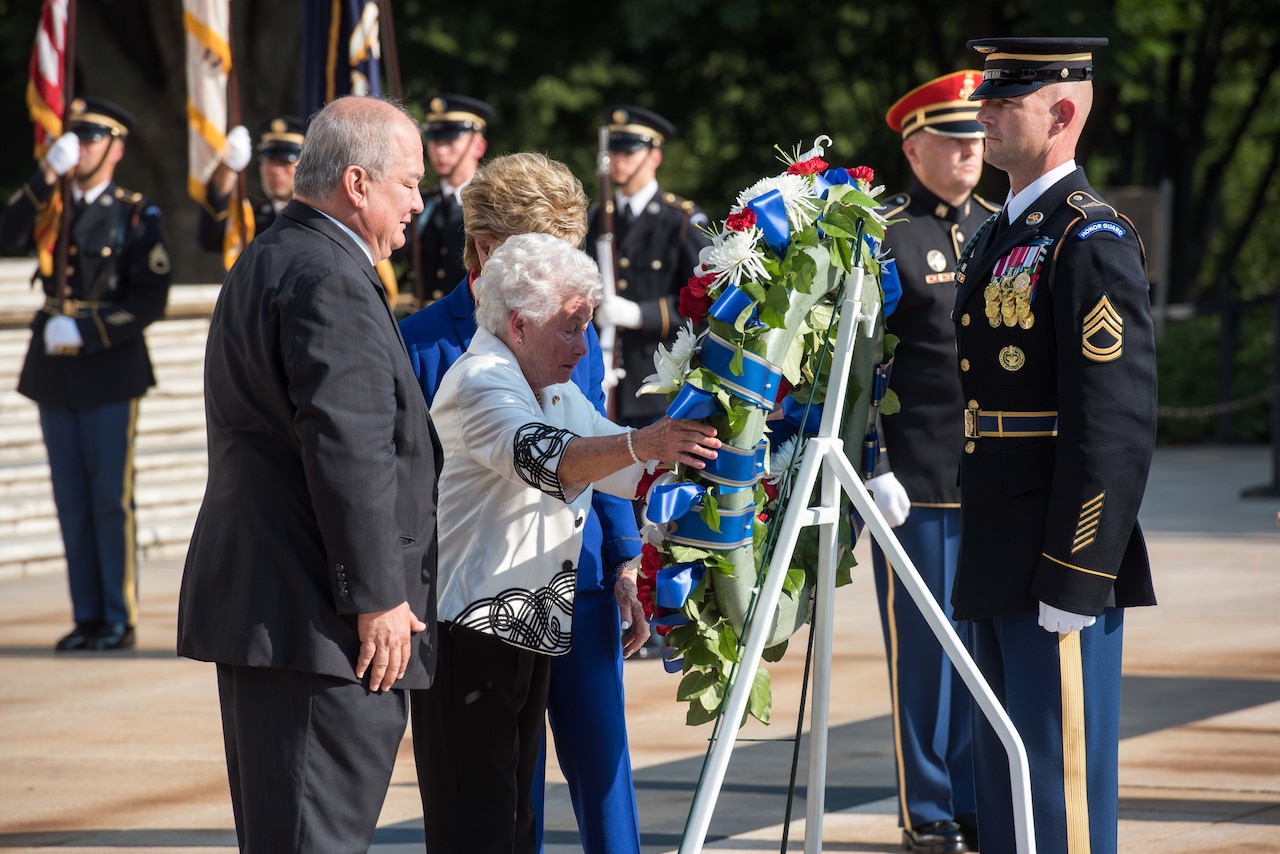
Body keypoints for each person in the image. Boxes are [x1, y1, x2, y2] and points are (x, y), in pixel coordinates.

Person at [176, 95, 438, 852]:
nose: (419, 204)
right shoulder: (328, 278)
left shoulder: (276, 254)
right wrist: (379, 595)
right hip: (318, 623)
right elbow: (348, 448)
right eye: (408, 184)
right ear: (357, 184)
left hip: (283, 612)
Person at [417, 232, 720, 854]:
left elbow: (628, 470)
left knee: (513, 819)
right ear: (520, 326)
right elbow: (544, 459)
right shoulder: (480, 379)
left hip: (525, 627)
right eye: (571, 328)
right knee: (478, 821)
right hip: (470, 632)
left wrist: (725, 454)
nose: (583, 347)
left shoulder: (548, 388)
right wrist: (647, 444)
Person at [400, 151, 649, 854]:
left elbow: (595, 431)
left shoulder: (572, 321)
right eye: (542, 253)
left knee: (603, 770)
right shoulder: (423, 343)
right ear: (485, 247)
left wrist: (628, 559)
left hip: (585, 575)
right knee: (505, 789)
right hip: (482, 589)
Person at [952, 38, 1158, 854]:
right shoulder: (1004, 230)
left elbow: (1112, 425)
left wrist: (1080, 571)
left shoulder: (1088, 238)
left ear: (1063, 112)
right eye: (989, 97)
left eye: (1008, 101)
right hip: (1000, 538)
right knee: (1005, 788)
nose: (986, 114)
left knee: (1057, 788)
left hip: (1054, 550)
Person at [866, 69, 998, 854]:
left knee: (982, 650)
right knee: (924, 657)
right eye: (952, 141)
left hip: (987, 478)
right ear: (914, 150)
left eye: (975, 139)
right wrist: (871, 460)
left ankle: (978, 794)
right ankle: (931, 809)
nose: (969, 152)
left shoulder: (999, 227)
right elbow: (860, 366)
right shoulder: (886, 236)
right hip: (914, 480)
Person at [0, 96, 171, 652]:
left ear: (116, 149)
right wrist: (45, 171)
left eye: (93, 137)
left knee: (106, 497)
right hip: (53, 371)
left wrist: (91, 332)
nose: (81, 145)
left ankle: (118, 617)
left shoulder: (134, 212)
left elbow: (151, 297)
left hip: (109, 370)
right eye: (75, 136)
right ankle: (87, 615)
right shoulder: (51, 204)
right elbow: (8, 232)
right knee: (70, 497)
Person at [586, 104, 711, 428]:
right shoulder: (597, 218)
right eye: (614, 150)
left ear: (655, 156)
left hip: (658, 383)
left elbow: (705, 301)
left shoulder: (680, 220)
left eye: (629, 150)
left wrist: (640, 315)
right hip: (601, 381)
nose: (618, 159)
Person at [408, 93, 492, 306]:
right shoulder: (421, 203)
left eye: (451, 140)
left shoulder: (493, 206)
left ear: (478, 147)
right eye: (435, 140)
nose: (440, 151)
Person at [195, 114, 304, 256]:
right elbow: (210, 238)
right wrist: (227, 168)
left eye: (285, 162)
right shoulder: (251, 217)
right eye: (270, 160)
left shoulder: (318, 216)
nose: (275, 170)